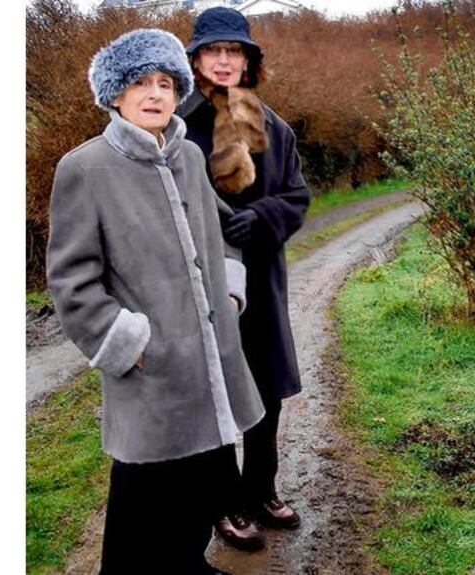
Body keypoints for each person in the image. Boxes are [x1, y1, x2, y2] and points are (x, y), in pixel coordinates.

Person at [46, 28, 266, 573]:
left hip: (210, 359)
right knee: (142, 498)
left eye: (166, 83)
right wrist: (129, 343)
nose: (154, 94)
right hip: (151, 369)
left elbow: (225, 231)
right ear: (114, 94)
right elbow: (71, 279)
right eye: (140, 82)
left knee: (202, 483)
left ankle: (189, 565)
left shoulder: (190, 155)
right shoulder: (85, 168)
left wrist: (232, 293)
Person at [177, 6, 310, 545]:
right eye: (214, 51)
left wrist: (267, 217)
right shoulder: (176, 125)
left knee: (264, 392)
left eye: (234, 51)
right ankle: (225, 502)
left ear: (249, 61)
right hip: (199, 282)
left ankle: (261, 488)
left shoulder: (273, 127)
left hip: (262, 276)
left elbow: (297, 196)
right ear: (197, 60)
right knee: (211, 392)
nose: (225, 60)